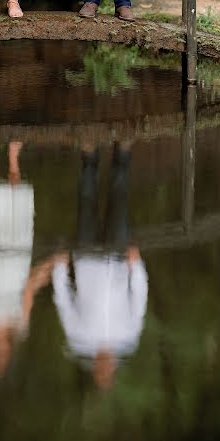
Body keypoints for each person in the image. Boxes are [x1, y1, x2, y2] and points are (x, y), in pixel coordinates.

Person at [52, 142, 148, 389]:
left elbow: (63, 300)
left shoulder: (78, 340)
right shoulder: (129, 338)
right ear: (114, 369)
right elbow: (139, 298)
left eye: (100, 373)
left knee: (86, 199)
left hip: (85, 259)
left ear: (94, 370)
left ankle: (89, 152)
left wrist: (60, 267)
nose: (104, 368)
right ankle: (123, 151)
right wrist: (136, 265)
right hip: (117, 258)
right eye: (108, 372)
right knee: (119, 199)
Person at [0, 139, 53, 376]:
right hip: (15, 272)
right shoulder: (20, 326)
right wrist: (50, 267)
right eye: (3, 356)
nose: (0, 352)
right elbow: (29, 290)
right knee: (16, 216)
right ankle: (13, 156)